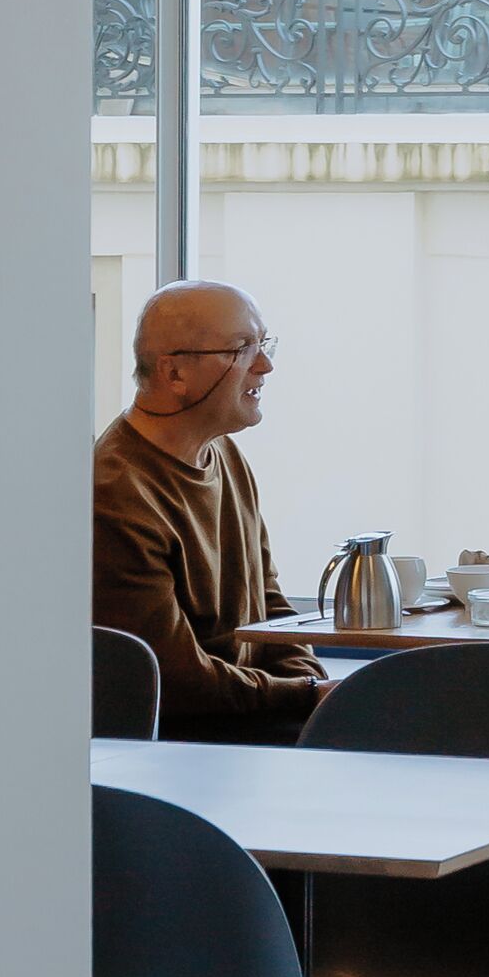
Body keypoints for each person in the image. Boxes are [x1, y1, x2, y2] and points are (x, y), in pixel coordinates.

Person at [92, 282, 326, 741]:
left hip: (249, 721)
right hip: (189, 748)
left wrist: (312, 687)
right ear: (175, 373)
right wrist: (306, 693)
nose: (266, 364)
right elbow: (179, 684)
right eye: (242, 349)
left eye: (264, 344)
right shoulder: (116, 493)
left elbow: (272, 608)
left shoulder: (226, 455)